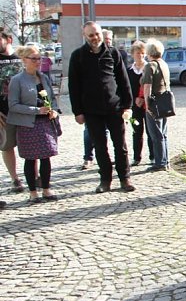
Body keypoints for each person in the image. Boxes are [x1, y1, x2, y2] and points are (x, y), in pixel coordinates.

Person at [67, 21, 136, 193]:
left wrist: (127, 105)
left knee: (120, 145)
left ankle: (125, 178)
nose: (95, 37)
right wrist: (78, 111)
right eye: (90, 35)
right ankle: (105, 179)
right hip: (91, 110)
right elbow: (73, 86)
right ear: (85, 36)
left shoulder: (113, 53)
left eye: (96, 34)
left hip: (115, 107)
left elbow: (123, 80)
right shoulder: (78, 56)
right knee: (100, 146)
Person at [6, 46, 60, 203]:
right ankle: (32, 192)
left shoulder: (43, 77)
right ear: (24, 60)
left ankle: (46, 189)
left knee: (46, 155)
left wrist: (54, 110)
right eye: (34, 59)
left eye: (39, 58)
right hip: (27, 124)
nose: (38, 62)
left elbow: (52, 99)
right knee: (30, 158)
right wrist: (37, 110)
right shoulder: (17, 80)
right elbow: (13, 105)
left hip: (45, 123)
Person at [0, 30, 25, 194]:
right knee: (6, 146)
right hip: (3, 112)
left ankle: (34, 175)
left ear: (8, 39)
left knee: (30, 144)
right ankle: (15, 178)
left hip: (23, 110)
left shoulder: (21, 58)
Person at [141, 39, 171, 172]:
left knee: (156, 134)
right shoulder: (163, 64)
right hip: (164, 102)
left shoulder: (150, 66)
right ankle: (165, 159)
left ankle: (160, 162)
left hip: (154, 103)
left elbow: (147, 86)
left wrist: (147, 104)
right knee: (163, 133)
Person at [127, 41, 152, 166]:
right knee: (136, 131)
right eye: (138, 53)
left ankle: (153, 156)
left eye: (143, 53)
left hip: (148, 105)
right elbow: (126, 89)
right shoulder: (129, 70)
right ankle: (137, 157)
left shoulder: (149, 68)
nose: (140, 56)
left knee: (150, 131)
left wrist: (143, 98)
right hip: (134, 106)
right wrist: (134, 99)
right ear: (133, 54)